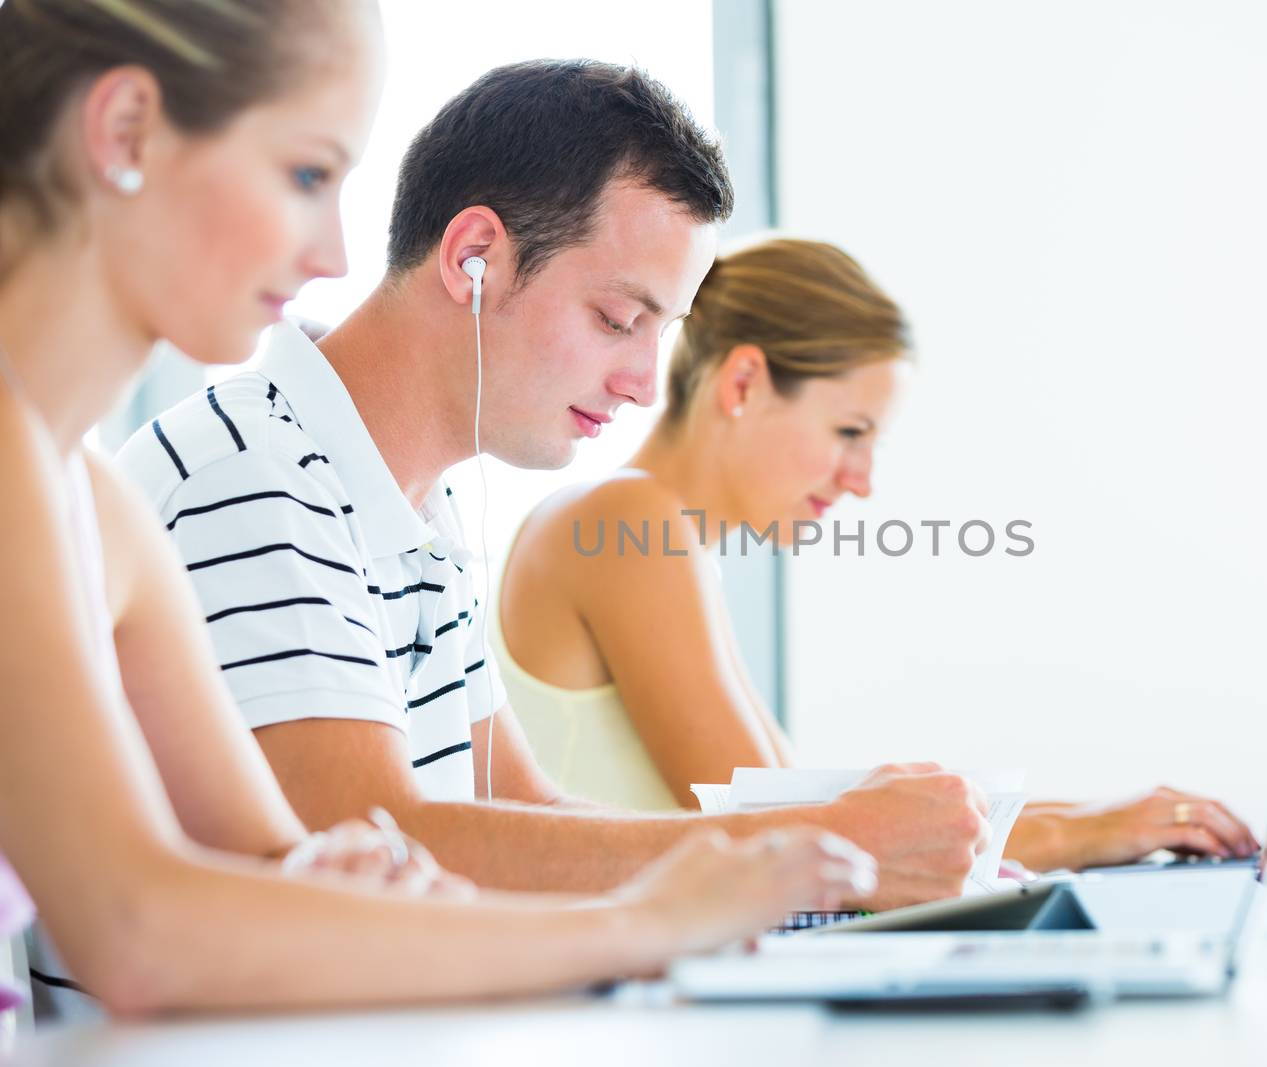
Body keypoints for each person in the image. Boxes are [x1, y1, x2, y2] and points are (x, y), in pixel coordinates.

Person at [0, 0, 871, 1021]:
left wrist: (355, 881)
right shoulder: (224, 475)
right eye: (306, 175)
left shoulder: (93, 499)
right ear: (126, 133)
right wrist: (651, 917)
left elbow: (289, 870)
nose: (332, 249)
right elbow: (144, 929)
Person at [115, 59, 988, 911]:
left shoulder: (421, 509)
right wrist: (815, 850)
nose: (646, 381)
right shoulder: (254, 478)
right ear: (475, 258)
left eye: (661, 334)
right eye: (617, 320)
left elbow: (521, 811)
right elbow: (377, 836)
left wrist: (803, 859)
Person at [497, 237, 1261, 872]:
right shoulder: (628, 523)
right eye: (849, 432)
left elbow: (829, 816)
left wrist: (1099, 819)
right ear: (744, 382)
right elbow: (805, 836)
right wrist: (1084, 833)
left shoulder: (661, 538)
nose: (861, 481)